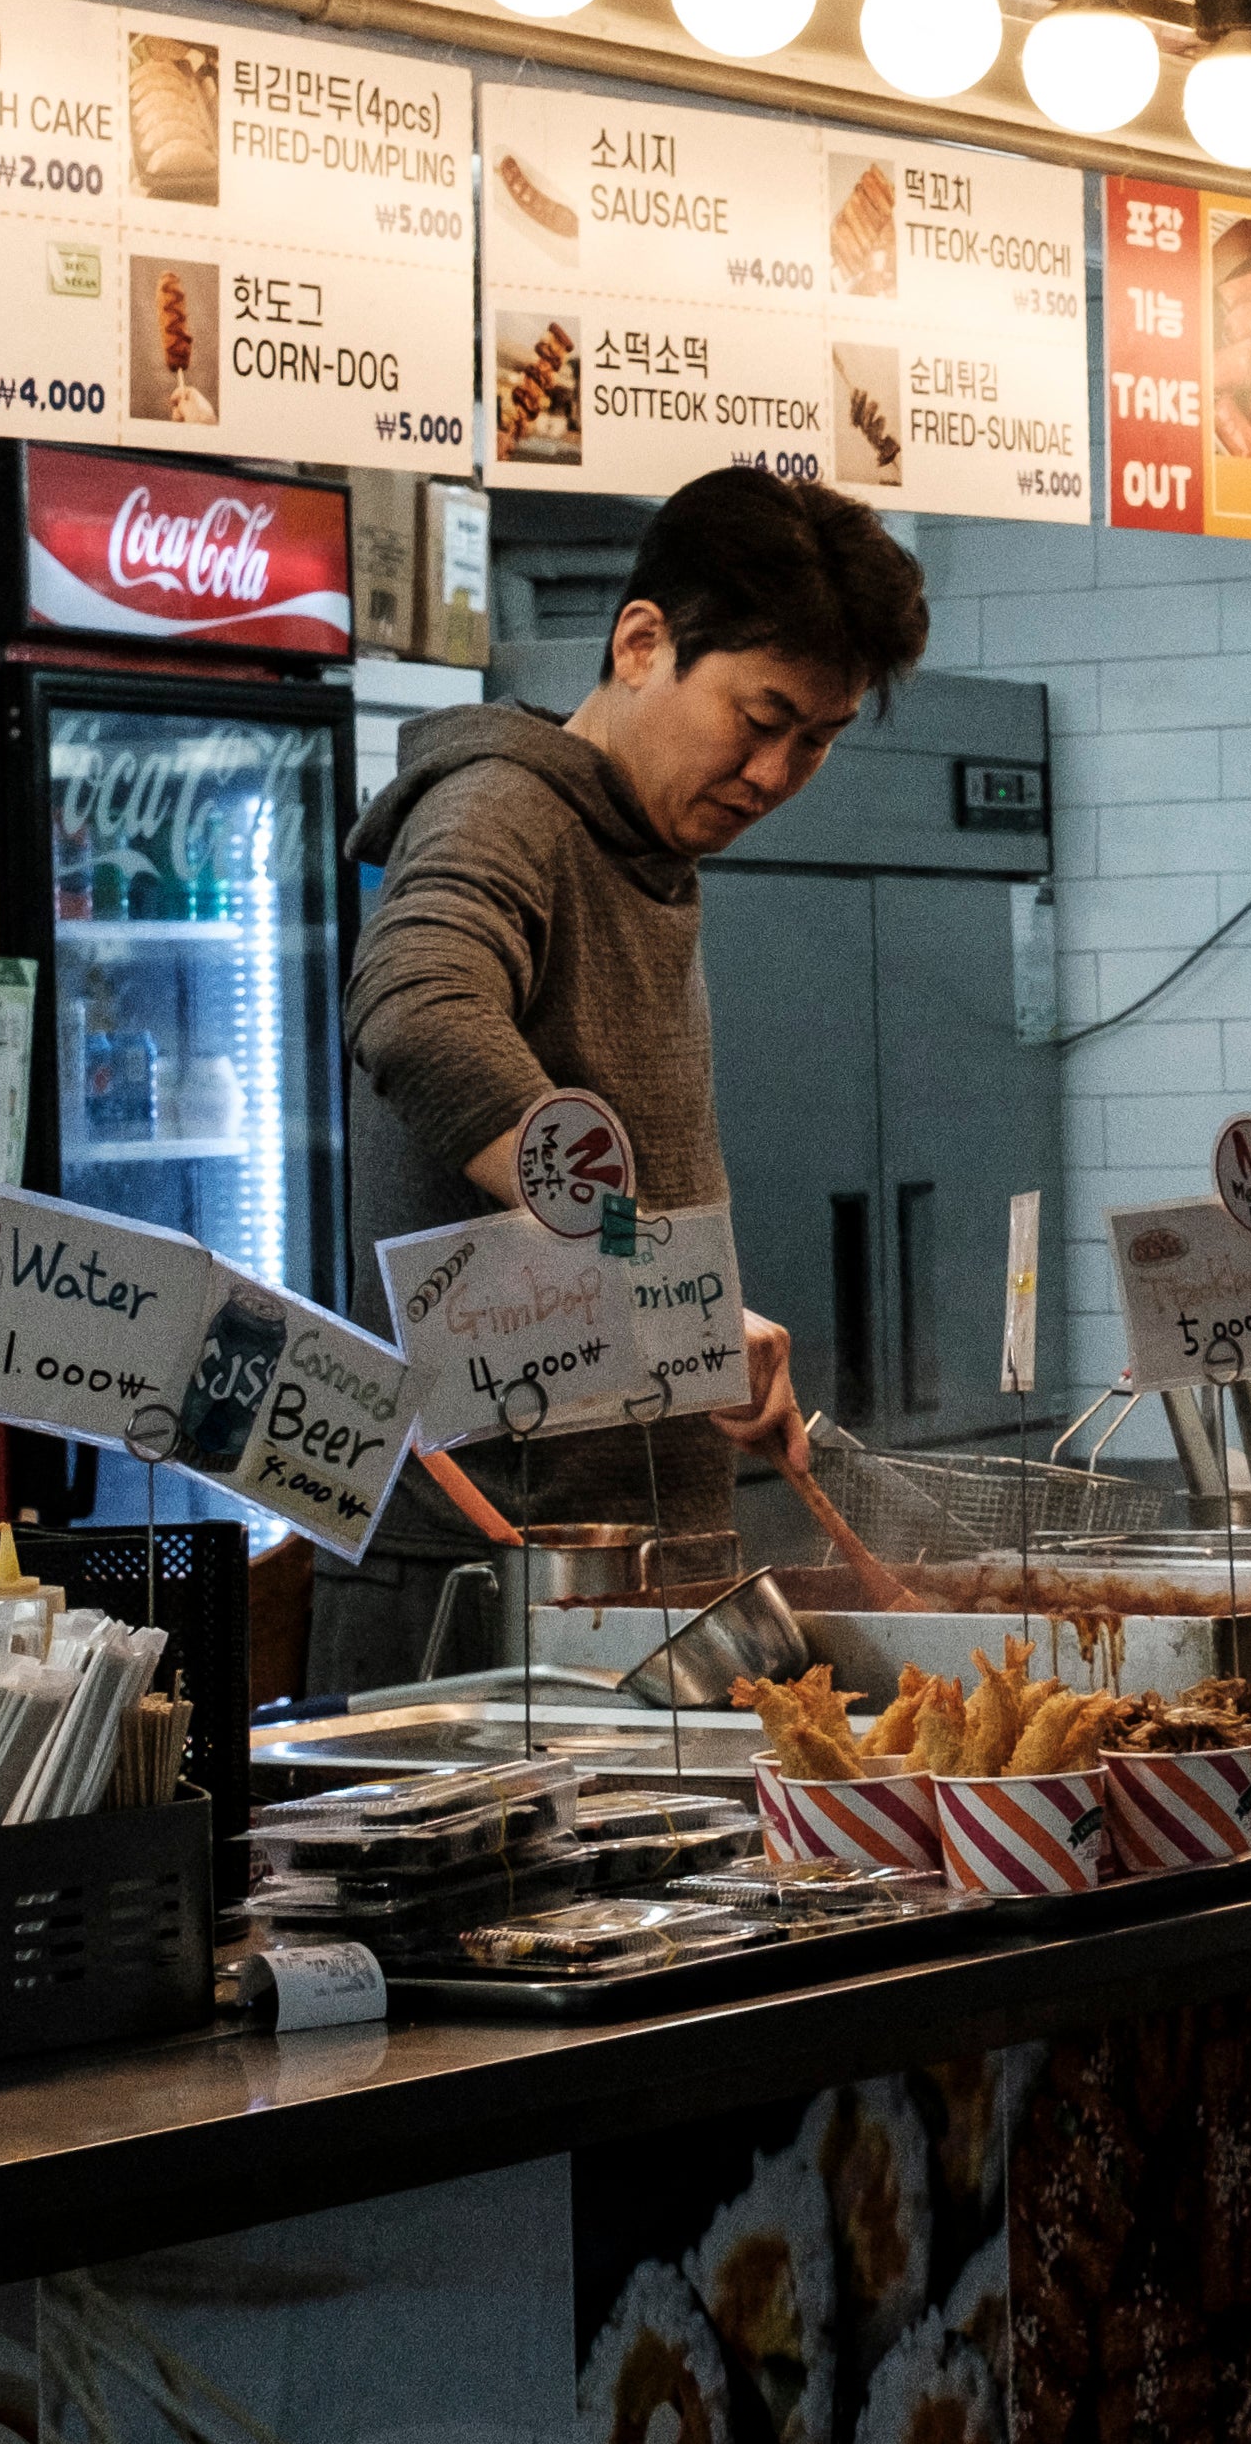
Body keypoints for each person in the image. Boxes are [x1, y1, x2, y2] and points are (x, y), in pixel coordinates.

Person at [311, 468, 933, 1692]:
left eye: (815, 741)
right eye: (759, 719)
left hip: (637, 1585)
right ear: (642, 641)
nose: (775, 773)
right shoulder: (501, 811)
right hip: (479, 1589)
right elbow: (419, 1010)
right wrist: (661, 1291)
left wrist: (686, 1342)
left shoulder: (643, 851)